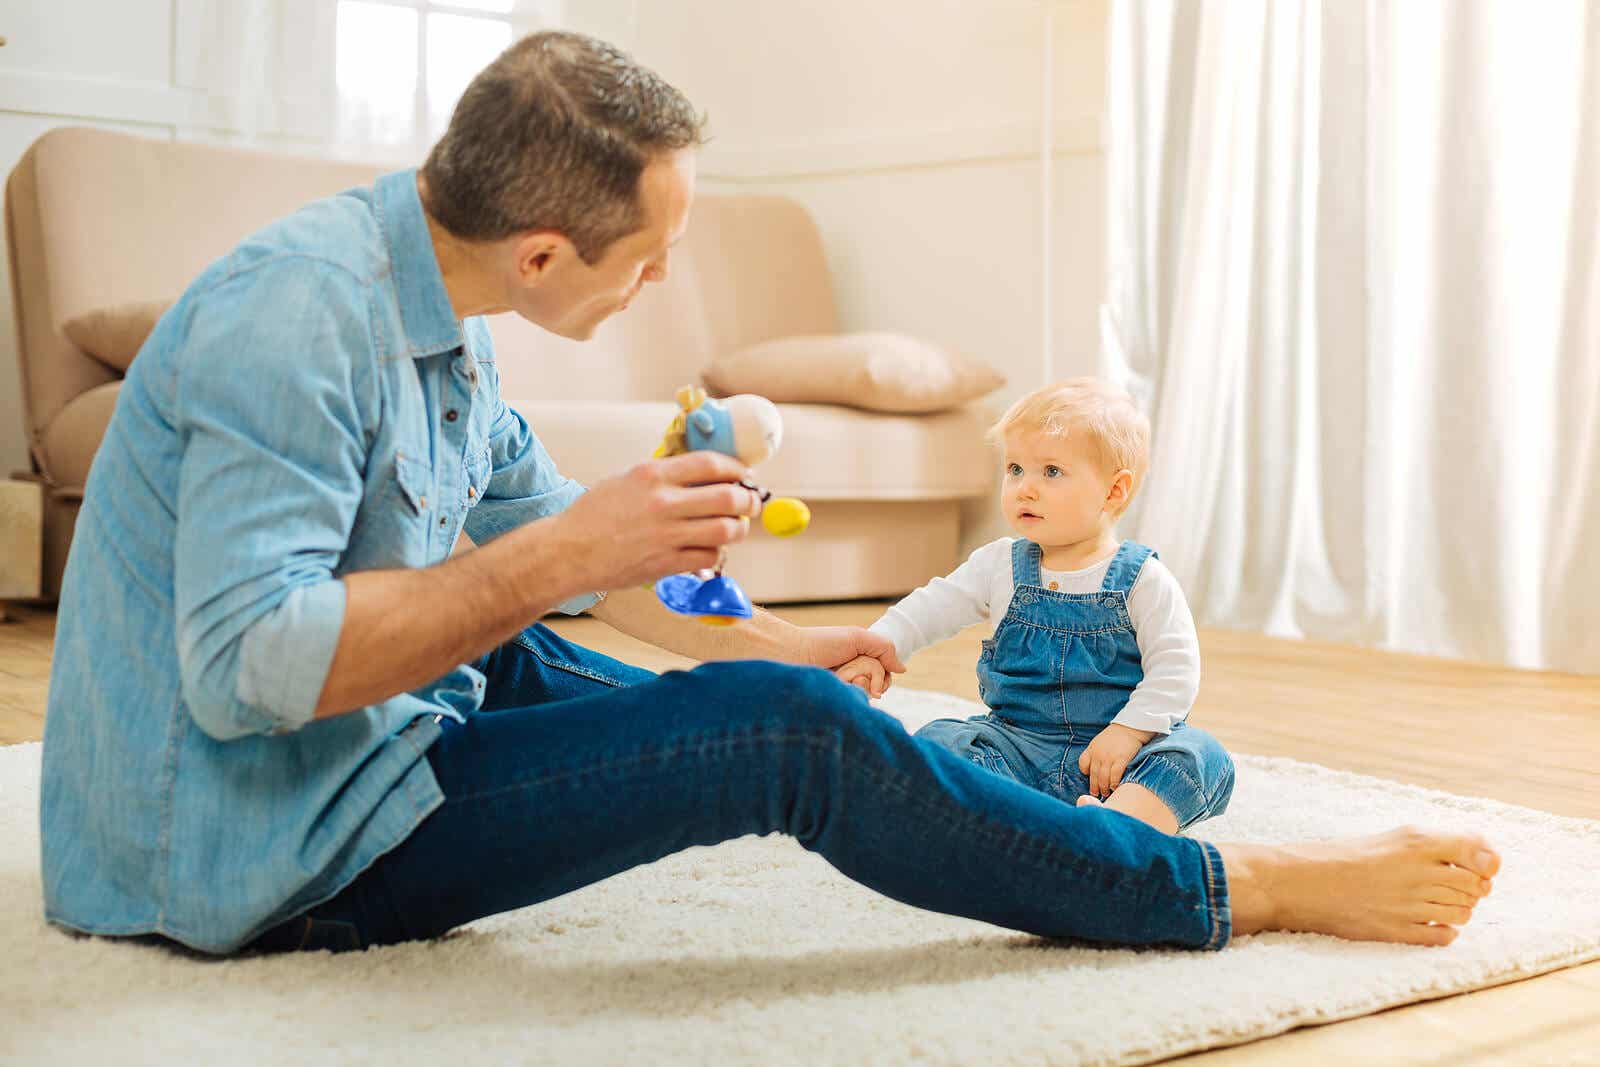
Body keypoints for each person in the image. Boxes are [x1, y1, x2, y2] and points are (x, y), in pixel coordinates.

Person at [40, 31, 1498, 958]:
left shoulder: (443, 308)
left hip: (370, 735)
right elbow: (249, 676)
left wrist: (777, 637)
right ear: (544, 250)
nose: (670, 280)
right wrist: (570, 557)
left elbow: (582, 559)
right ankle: (1234, 889)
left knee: (764, 685)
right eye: (652, 252)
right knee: (789, 743)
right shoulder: (297, 323)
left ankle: (824, 713)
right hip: (254, 851)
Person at [837, 378, 1232, 834]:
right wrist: (877, 647)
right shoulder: (999, 565)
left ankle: (1117, 831)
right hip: (1014, 748)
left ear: (1114, 491)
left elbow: (1176, 670)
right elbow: (931, 607)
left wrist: (1129, 732)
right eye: (1015, 469)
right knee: (942, 741)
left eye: (1052, 472)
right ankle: (1004, 823)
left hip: (1114, 765)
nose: (1025, 488)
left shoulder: (1144, 580)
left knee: (1200, 756)